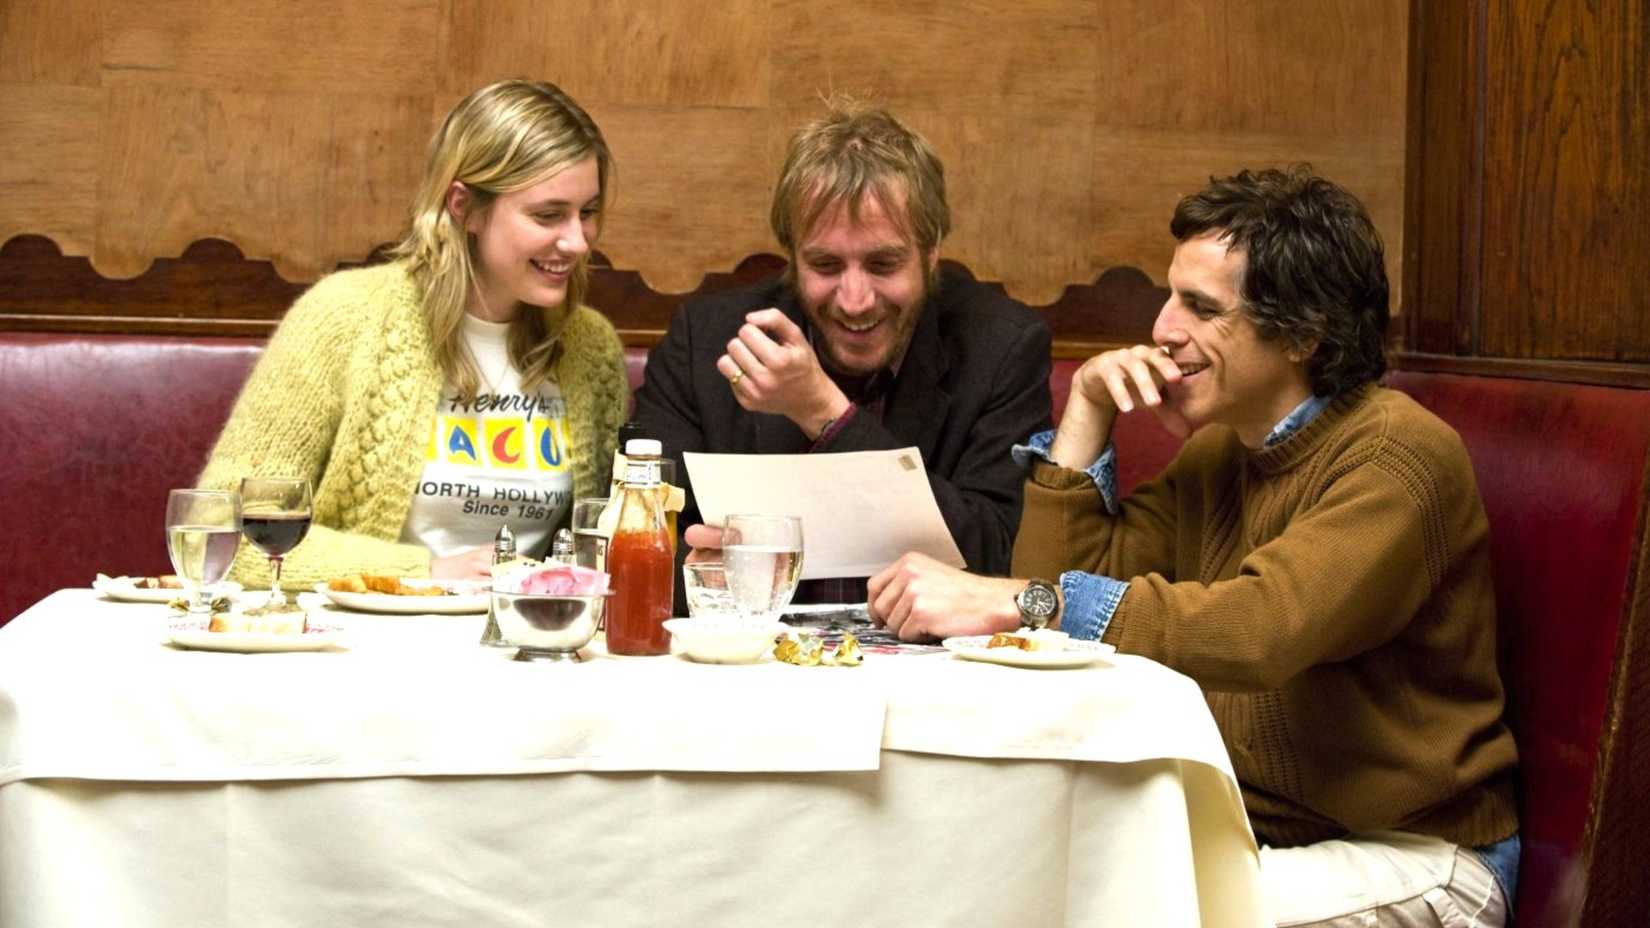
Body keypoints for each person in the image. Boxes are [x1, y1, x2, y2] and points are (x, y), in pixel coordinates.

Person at [868, 166, 1521, 926]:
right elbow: (1058, 596)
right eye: (1171, 295)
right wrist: (1083, 415)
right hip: (1260, 837)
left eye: (1201, 307)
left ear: (1303, 334)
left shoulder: (1395, 455)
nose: (1163, 328)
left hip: (1416, 854)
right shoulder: (1223, 455)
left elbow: (1257, 631)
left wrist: (1025, 603)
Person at [199, 79, 629, 586]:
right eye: (548, 215)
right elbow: (221, 533)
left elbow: (600, 542)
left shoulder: (590, 346)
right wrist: (421, 572)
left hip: (520, 648)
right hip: (360, 641)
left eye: (588, 213)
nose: (578, 241)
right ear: (464, 207)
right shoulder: (342, 318)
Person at [631, 98, 1053, 603]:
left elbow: (999, 556)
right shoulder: (707, 340)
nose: (855, 301)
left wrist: (826, 415)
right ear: (792, 258)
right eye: (826, 266)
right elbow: (645, 536)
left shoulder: (1001, 347)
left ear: (932, 253)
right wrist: (707, 576)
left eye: (883, 265)